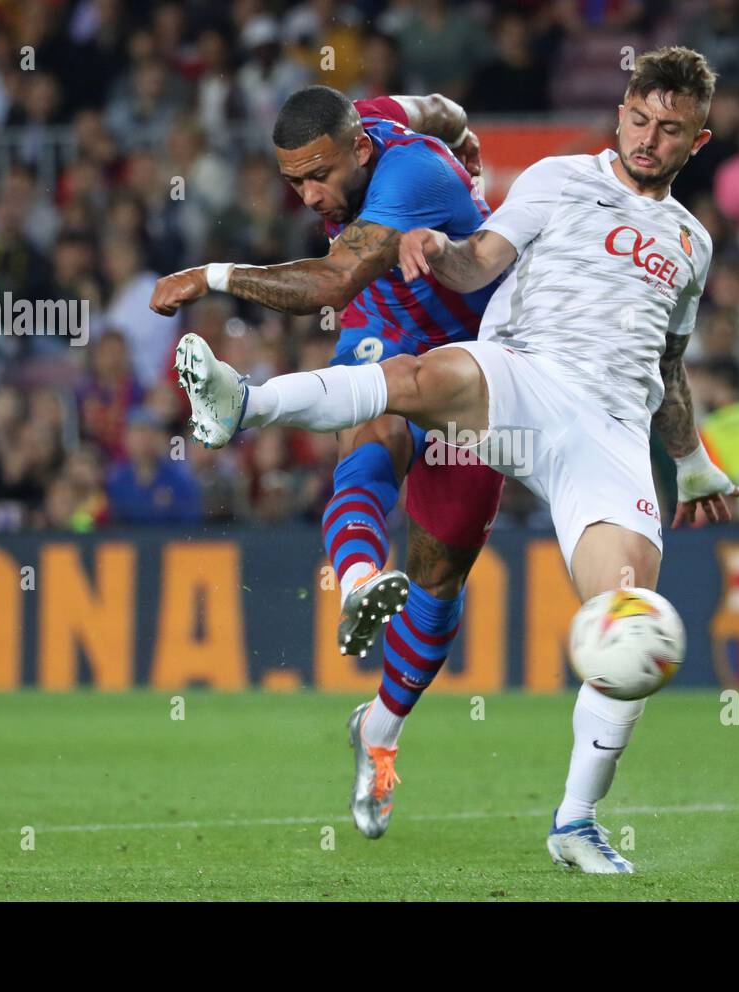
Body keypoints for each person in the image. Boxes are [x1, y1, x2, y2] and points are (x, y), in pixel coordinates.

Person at [171, 47, 739, 872]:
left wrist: (689, 462)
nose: (650, 139)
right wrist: (438, 248)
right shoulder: (554, 178)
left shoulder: (692, 244)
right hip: (522, 370)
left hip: (611, 430)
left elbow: (671, 364)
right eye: (640, 119)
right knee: (403, 385)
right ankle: (244, 405)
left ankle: (573, 822)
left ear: (700, 139)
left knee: (626, 623)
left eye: (672, 129)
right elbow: (480, 259)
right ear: (620, 112)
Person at [147, 88, 504, 840]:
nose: (310, 195)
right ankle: (359, 581)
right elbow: (437, 103)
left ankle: (378, 728)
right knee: (369, 426)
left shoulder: (412, 176)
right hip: (385, 328)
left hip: (475, 360)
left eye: (319, 175)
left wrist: (213, 277)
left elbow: (335, 282)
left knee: (439, 578)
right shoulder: (372, 114)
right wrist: (466, 129)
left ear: (361, 151)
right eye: (294, 182)